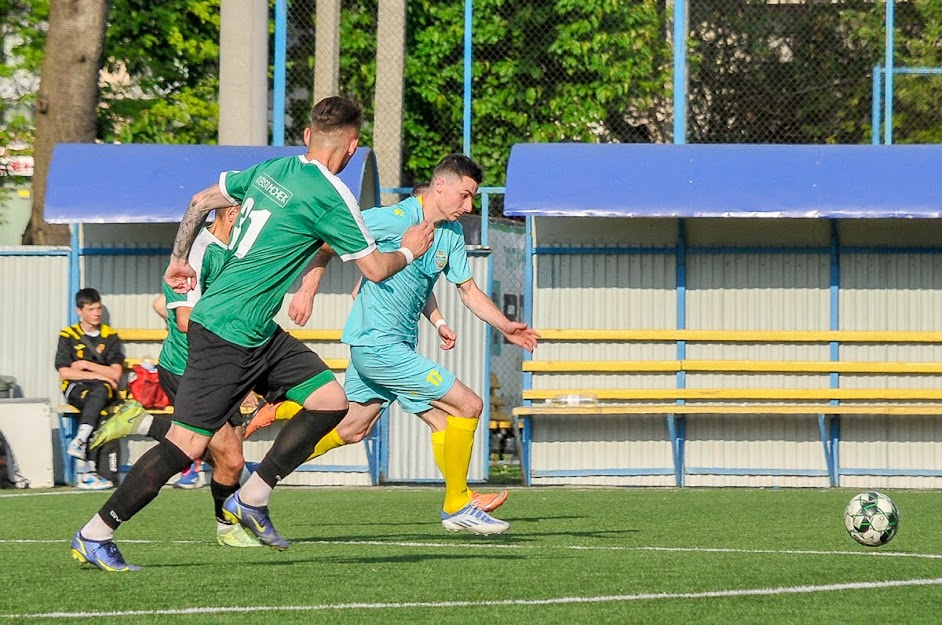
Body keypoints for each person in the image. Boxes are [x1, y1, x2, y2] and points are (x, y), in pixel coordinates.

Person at [70, 95, 434, 572]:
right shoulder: (332, 195)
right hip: (226, 333)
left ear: (307, 137)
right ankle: (96, 532)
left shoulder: (273, 170)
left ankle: (252, 498)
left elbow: (200, 200)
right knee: (187, 445)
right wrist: (408, 250)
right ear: (352, 146)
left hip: (257, 330)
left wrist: (178, 256)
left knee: (330, 400)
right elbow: (376, 269)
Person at [248, 154, 539, 534]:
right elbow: (326, 239)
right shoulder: (393, 219)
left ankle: (268, 453)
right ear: (440, 186)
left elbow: (468, 290)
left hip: (395, 345)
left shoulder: (450, 235)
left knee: (351, 427)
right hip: (378, 346)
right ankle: (458, 503)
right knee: (469, 405)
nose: (468, 206)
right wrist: (308, 286)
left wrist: (504, 325)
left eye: (472, 199)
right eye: (465, 196)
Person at [89, 204, 262, 548]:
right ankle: (99, 531)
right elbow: (185, 319)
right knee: (223, 455)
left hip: (221, 371)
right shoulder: (196, 255)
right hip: (189, 370)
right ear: (230, 214)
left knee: (225, 457)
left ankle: (145, 425)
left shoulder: (233, 254)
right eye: (247, 214)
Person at [56, 288, 133, 490]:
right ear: (79, 311)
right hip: (75, 388)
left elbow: (116, 373)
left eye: (99, 308)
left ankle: (81, 447)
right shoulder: (68, 335)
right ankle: (89, 469)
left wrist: (86, 365)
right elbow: (65, 373)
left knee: (99, 393)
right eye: (91, 309)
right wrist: (100, 374)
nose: (97, 313)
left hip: (102, 390)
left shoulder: (109, 336)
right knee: (97, 395)